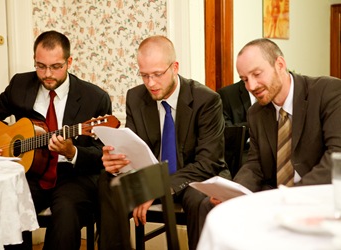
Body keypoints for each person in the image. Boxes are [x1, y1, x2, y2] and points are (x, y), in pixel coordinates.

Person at [0, 30, 112, 250]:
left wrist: (72, 152)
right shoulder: (20, 84)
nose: (47, 74)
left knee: (66, 214)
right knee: (7, 208)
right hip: (30, 174)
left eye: (56, 67)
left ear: (69, 62)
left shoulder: (95, 98)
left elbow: (102, 155)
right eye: (40, 66)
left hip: (72, 177)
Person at [98, 35, 230, 250]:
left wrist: (159, 189)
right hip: (152, 177)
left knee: (200, 200)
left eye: (158, 74)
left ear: (174, 67)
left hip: (193, 176)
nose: (151, 83)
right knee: (108, 182)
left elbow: (208, 163)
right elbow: (133, 149)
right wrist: (116, 162)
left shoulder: (206, 100)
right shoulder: (135, 97)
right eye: (144, 75)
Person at [233, 38, 341, 192]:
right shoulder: (256, 113)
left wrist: (291, 196)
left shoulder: (328, 92)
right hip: (276, 196)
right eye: (244, 79)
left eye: (256, 74)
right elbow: (255, 164)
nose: (251, 86)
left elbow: (337, 158)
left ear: (280, 65)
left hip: (322, 195)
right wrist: (233, 191)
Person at [217, 80, 254, 165]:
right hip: (244, 153)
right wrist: (255, 124)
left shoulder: (276, 92)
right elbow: (226, 131)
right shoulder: (227, 94)